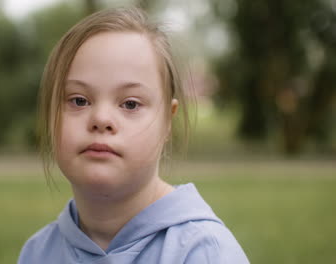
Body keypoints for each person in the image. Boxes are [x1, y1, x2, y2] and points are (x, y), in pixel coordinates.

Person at [18, 7, 249, 264]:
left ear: (167, 122)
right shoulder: (37, 253)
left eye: (130, 104)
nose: (101, 119)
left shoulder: (202, 253)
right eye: (79, 100)